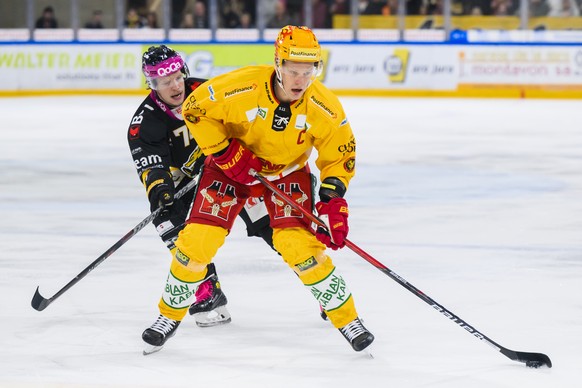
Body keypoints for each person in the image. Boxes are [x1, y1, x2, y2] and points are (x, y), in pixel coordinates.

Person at [142, 26, 374, 354]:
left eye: (308, 72)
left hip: (286, 173)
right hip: (228, 171)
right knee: (196, 241)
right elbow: (195, 109)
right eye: (293, 71)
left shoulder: (325, 107)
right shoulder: (242, 85)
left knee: (298, 245)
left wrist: (333, 200)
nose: (300, 80)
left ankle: (347, 318)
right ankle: (168, 316)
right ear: (278, 64)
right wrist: (223, 151)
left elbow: (340, 154)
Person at [128, 45, 276, 354]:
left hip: (225, 171)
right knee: (166, 219)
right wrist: (161, 192)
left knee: (274, 224)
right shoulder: (145, 124)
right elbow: (152, 167)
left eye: (177, 76)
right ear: (151, 84)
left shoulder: (207, 91)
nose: (174, 85)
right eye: (163, 80)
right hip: (186, 182)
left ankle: (318, 288)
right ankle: (208, 292)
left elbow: (242, 124)